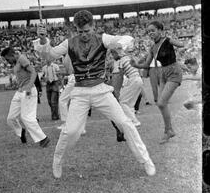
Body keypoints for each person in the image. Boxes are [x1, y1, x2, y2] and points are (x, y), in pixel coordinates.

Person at [34, 10, 156, 178]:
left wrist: (121, 43)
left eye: (87, 31)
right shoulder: (69, 43)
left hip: (101, 91)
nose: (84, 35)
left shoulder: (102, 38)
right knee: (71, 132)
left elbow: (124, 39)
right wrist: (42, 39)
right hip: (80, 92)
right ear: (75, 28)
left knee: (125, 123)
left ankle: (145, 160)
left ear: (93, 26)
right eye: (80, 31)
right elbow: (50, 54)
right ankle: (58, 160)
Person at [130, 20, 185, 144]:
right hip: (162, 74)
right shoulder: (152, 48)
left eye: (153, 30)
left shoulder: (167, 40)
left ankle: (169, 130)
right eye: (148, 31)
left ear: (160, 30)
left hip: (174, 72)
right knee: (161, 104)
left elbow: (181, 44)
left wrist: (175, 41)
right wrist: (135, 65)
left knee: (161, 103)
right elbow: (146, 64)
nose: (150, 33)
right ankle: (169, 130)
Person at [1, 47, 50, 147]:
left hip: (28, 91)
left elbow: (33, 72)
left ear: (12, 55)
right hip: (20, 91)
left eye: (7, 59)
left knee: (27, 117)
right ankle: (20, 131)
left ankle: (43, 138)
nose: (7, 61)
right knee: (10, 118)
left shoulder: (21, 59)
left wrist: (29, 86)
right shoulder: (16, 63)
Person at [112, 47, 143, 127]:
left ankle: (134, 121)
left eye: (113, 54)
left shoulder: (121, 61)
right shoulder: (128, 58)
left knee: (122, 101)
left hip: (133, 79)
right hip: (138, 79)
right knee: (130, 104)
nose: (112, 56)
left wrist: (118, 89)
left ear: (117, 53)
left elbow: (121, 76)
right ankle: (131, 121)